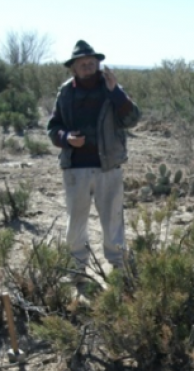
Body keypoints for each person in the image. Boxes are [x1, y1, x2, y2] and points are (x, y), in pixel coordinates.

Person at [47, 40, 141, 277]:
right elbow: (53, 128)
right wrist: (66, 137)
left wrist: (116, 92)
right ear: (74, 69)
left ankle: (119, 270)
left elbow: (132, 119)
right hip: (75, 169)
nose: (88, 67)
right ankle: (77, 270)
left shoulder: (110, 88)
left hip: (108, 167)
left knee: (113, 222)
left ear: (98, 65)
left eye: (92, 63)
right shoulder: (66, 92)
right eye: (82, 64)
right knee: (76, 223)